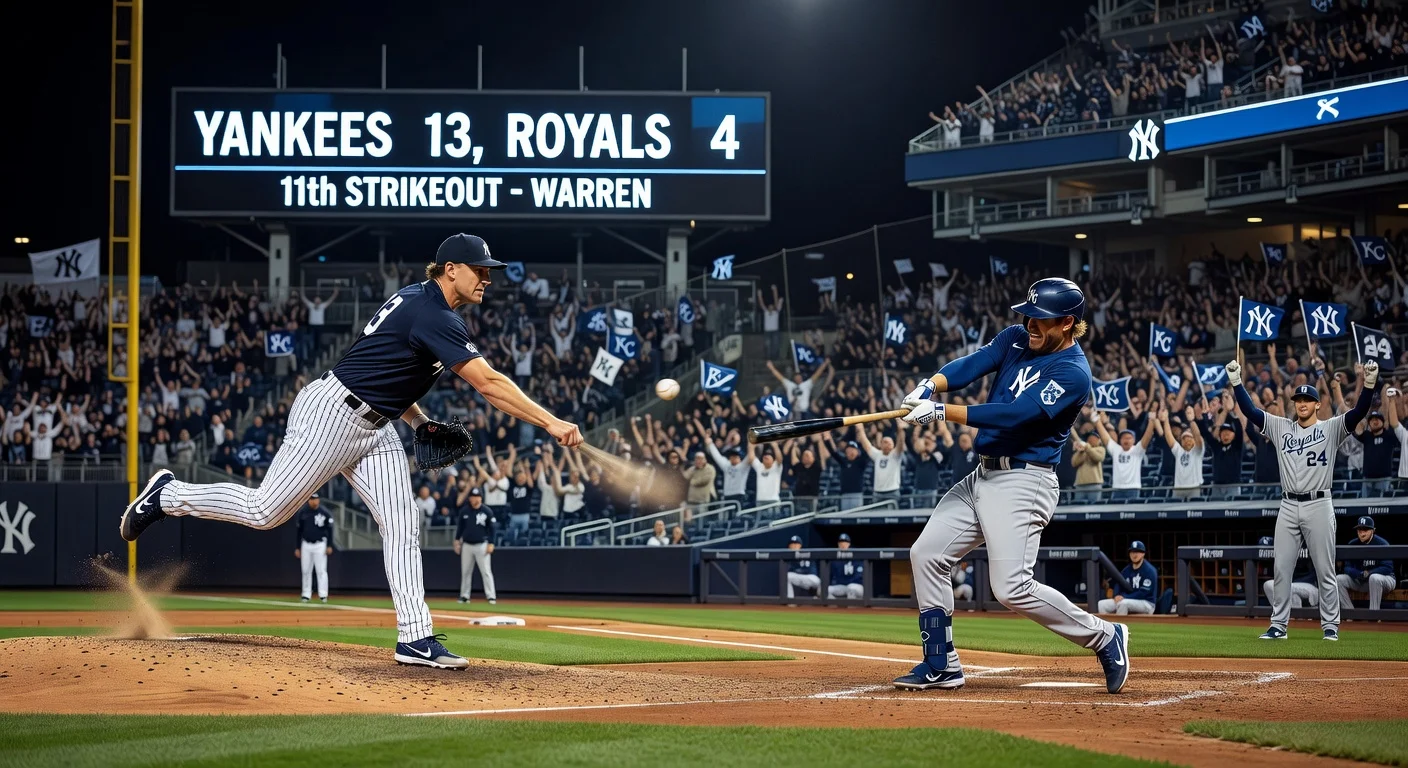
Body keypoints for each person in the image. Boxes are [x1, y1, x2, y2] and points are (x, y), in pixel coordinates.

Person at [119, 233, 584, 670]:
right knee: (265, 512)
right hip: (332, 417)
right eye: (479, 270)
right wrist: (550, 421)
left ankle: (415, 637)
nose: (487, 278)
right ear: (450, 269)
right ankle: (167, 495)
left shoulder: (420, 300)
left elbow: (387, 372)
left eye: (489, 271)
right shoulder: (434, 314)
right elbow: (489, 384)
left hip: (376, 426)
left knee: (403, 521)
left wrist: (419, 421)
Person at [894, 278, 1129, 694]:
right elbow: (973, 364)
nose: (1030, 324)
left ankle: (1104, 637)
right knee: (926, 553)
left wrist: (941, 412)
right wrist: (931, 384)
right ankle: (941, 664)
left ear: (1068, 323)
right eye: (1028, 315)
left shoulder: (1073, 373)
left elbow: (1016, 414)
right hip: (982, 475)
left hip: (1026, 480)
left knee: (1011, 588)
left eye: (1041, 319)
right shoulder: (1017, 338)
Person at [1227, 355, 1380, 642]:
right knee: (1281, 568)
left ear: (1317, 404)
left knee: (1325, 569)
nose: (1302, 403)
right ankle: (1278, 626)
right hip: (1287, 504)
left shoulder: (1330, 428)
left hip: (1319, 503)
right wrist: (1236, 382)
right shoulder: (1281, 426)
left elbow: (1359, 411)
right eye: (1298, 400)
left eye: (1307, 400)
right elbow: (1250, 410)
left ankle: (1331, 626)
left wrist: (1369, 384)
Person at [1093, 408, 1156, 501]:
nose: (1126, 440)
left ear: (1134, 440)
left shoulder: (1137, 450)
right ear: (1120, 440)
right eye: (1123, 438)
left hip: (1133, 488)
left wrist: (1152, 421)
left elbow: (1147, 437)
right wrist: (1097, 421)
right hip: (1117, 488)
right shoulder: (1116, 449)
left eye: (1129, 438)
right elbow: (1105, 437)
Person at [1337, 516, 1397, 611]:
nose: (1361, 532)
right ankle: (1350, 612)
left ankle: (1374, 614)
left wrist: (1369, 573)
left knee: (1374, 578)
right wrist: (1358, 574)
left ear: (1373, 530)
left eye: (1365, 529)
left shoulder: (1382, 543)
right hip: (1362, 580)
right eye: (1359, 529)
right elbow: (1347, 567)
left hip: (1385, 579)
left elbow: (1387, 568)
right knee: (1338, 579)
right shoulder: (1352, 544)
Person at [453, 487, 496, 605]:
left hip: (482, 544)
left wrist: (491, 543)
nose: (474, 499)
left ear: (481, 498)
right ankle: (464, 596)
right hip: (467, 544)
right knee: (466, 571)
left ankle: (491, 596)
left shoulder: (487, 511)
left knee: (486, 571)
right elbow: (460, 528)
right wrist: (457, 541)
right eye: (472, 496)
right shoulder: (465, 511)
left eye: (477, 496)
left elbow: (492, 529)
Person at [1258, 536, 1318, 610]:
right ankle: (1289, 616)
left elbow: (1317, 575)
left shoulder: (1312, 542)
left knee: (1287, 589)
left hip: (1310, 586)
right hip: (1290, 586)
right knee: (1268, 585)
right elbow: (1265, 543)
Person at [1097, 541, 1157, 616]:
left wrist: (1124, 597)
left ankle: (1121, 627)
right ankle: (1106, 627)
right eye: (1132, 552)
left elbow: (1143, 593)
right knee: (1102, 604)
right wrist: (1116, 595)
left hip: (1147, 603)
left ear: (1143, 554)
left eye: (1137, 552)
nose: (1134, 555)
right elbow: (1118, 583)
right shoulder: (1126, 570)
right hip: (1128, 599)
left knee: (1123, 603)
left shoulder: (1149, 570)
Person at [293, 494, 333, 603]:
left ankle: (323, 594)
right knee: (306, 570)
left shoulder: (324, 512)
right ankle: (306, 594)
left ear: (319, 499)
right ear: (308, 500)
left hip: (320, 544)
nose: (314, 501)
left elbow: (330, 530)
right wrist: (297, 547)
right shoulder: (303, 512)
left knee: (321, 570)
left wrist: (329, 545)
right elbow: (299, 531)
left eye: (316, 499)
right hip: (306, 544)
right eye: (312, 499)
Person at [1163, 406, 1206, 500]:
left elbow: (1197, 435)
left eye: (1190, 438)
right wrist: (1165, 419)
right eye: (1184, 439)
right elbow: (1168, 436)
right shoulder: (1178, 451)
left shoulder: (1197, 451)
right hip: (1178, 488)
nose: (1187, 441)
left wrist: (1191, 421)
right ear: (1181, 442)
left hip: (1194, 487)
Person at [857, 424, 905, 500]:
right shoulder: (877, 455)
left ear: (893, 445)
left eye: (889, 443)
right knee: (877, 512)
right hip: (877, 492)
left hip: (892, 491)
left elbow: (900, 444)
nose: (887, 444)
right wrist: (861, 430)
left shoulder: (895, 455)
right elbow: (866, 445)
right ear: (881, 444)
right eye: (885, 442)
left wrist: (901, 430)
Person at [1354, 411, 1395, 496]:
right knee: (1364, 506)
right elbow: (1357, 431)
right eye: (1371, 420)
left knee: (1384, 506)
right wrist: (1363, 421)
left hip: (1384, 478)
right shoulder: (1366, 436)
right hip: (1367, 479)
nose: (1374, 421)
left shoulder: (1389, 435)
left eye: (1377, 419)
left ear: (1382, 422)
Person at [1070, 426, 1106, 502]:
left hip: (1094, 484)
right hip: (1080, 484)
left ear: (1099, 440)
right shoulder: (1082, 451)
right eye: (1090, 438)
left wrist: (1087, 448)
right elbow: (1074, 463)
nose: (1092, 439)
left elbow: (1098, 458)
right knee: (1078, 507)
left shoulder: (1101, 449)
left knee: (1094, 507)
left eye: (1094, 438)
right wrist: (1080, 452)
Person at [827, 533, 864, 599]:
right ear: (838, 544)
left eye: (845, 542)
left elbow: (859, 578)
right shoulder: (835, 559)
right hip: (842, 586)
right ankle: (836, 607)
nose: (843, 545)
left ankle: (853, 608)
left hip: (856, 587)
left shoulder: (856, 555)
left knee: (851, 588)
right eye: (841, 543)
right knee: (824, 590)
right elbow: (831, 577)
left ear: (849, 544)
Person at [785, 535, 820, 600]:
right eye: (792, 544)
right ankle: (790, 601)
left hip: (812, 578)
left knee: (822, 586)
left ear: (800, 545)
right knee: (787, 576)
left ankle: (826, 601)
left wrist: (798, 570)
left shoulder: (807, 553)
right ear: (789, 546)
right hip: (801, 580)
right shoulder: (789, 557)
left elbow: (810, 571)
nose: (794, 546)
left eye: (796, 544)